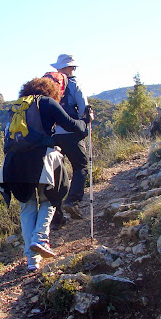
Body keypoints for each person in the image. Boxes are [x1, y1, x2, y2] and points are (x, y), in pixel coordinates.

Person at [0, 75, 93, 272]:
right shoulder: (47, 103)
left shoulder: (16, 106)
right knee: (50, 199)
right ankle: (41, 239)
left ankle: (32, 260)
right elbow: (75, 128)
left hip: (14, 164)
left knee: (28, 206)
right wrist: (86, 119)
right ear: (52, 91)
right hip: (41, 160)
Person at [48, 54, 89, 224]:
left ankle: (56, 218)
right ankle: (73, 201)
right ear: (71, 68)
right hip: (70, 133)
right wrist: (84, 123)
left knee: (56, 175)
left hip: (52, 135)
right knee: (81, 166)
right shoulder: (74, 84)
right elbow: (84, 109)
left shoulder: (49, 86)